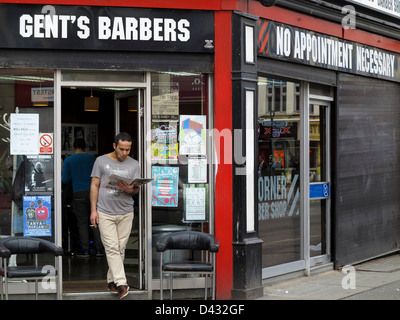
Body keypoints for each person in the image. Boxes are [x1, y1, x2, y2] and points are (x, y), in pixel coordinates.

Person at [90, 132, 141, 299]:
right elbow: (94, 185)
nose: (125, 153)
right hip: (105, 212)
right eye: (121, 149)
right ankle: (121, 283)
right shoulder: (101, 161)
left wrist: (130, 190)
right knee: (111, 247)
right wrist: (93, 210)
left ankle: (111, 281)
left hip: (126, 212)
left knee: (120, 248)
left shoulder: (134, 164)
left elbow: (137, 188)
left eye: (128, 150)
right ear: (114, 146)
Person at [62, 138, 103, 258]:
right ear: (85, 147)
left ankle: (85, 250)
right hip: (94, 192)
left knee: (82, 223)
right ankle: (99, 249)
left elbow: (65, 179)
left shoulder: (69, 160)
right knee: (95, 221)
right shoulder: (92, 159)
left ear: (73, 148)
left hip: (78, 193)